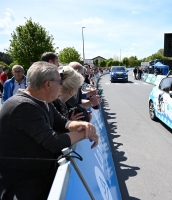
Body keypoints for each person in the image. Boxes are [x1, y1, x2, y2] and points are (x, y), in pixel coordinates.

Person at [0, 61, 99, 199]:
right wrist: (85, 133)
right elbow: (54, 142)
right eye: (59, 82)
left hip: (36, 176)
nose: (61, 86)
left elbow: (62, 122)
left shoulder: (41, 101)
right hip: (21, 184)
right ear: (48, 84)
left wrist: (82, 125)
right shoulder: (23, 106)